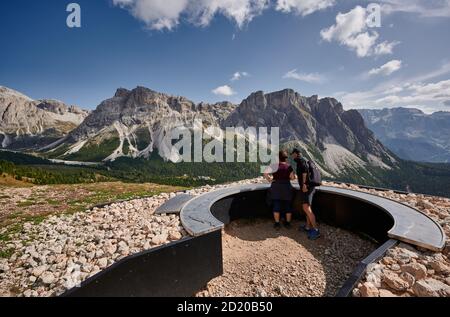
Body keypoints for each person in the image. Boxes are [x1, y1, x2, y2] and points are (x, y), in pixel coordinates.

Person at [291, 149, 320, 240]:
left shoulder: (301, 160)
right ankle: (308, 227)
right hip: (309, 187)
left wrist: (304, 184)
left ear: (296, 154)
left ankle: (315, 230)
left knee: (306, 207)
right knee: (306, 207)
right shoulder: (303, 160)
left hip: (307, 187)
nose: (292, 156)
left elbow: (304, 172)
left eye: (292, 154)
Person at [264, 151, 296, 230]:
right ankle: (288, 223)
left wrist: (270, 180)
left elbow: (265, 173)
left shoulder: (274, 166)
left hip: (276, 187)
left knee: (276, 205)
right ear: (285, 158)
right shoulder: (289, 166)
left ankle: (277, 223)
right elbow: (292, 178)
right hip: (286, 187)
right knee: (288, 206)